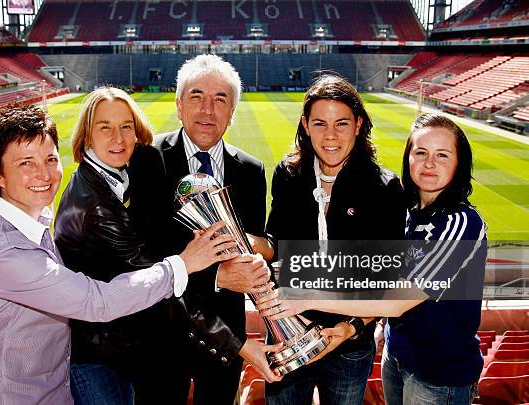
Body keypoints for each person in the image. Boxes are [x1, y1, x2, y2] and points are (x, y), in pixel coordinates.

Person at [0, 103, 237, 404]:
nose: (44, 174)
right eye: (25, 163)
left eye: (49, 159)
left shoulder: (25, 217)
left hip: (45, 385)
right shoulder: (3, 251)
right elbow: (96, 301)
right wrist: (183, 264)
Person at [259, 114, 487, 405]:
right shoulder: (407, 211)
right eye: (420, 152)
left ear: (459, 163)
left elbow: (399, 299)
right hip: (398, 357)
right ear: (408, 158)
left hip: (438, 373)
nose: (429, 163)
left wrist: (307, 297)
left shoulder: (460, 223)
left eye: (442, 155)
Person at [252, 73, 407, 405]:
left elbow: (388, 282)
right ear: (306, 126)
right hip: (288, 333)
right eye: (320, 124)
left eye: (342, 123)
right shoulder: (288, 175)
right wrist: (245, 243)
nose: (331, 136)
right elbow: (276, 243)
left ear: (358, 124)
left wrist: (351, 326)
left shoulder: (385, 189)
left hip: (348, 342)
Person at [53, 86, 206, 404]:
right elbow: (155, 277)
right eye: (105, 127)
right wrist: (236, 344)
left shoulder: (112, 180)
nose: (118, 138)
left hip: (117, 349)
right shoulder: (96, 206)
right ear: (87, 135)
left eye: (126, 127)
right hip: (98, 360)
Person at [150, 54, 281, 405]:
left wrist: (259, 254)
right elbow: (143, 253)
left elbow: (252, 244)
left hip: (225, 337)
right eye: (196, 97)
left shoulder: (251, 171)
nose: (207, 110)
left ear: (232, 113)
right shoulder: (148, 159)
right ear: (179, 106)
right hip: (164, 333)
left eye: (220, 99)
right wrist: (217, 277)